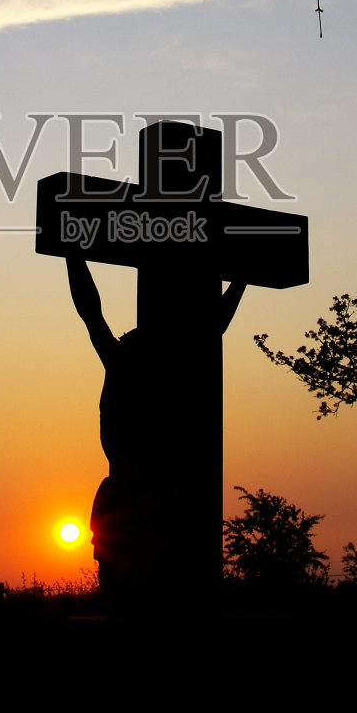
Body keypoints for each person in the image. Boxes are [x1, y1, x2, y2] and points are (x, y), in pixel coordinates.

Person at [66, 255, 245, 603]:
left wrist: (73, 258)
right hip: (142, 496)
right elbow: (213, 327)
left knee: (146, 588)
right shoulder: (134, 366)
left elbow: (91, 314)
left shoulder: (129, 366)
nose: (127, 335)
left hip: (148, 496)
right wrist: (240, 280)